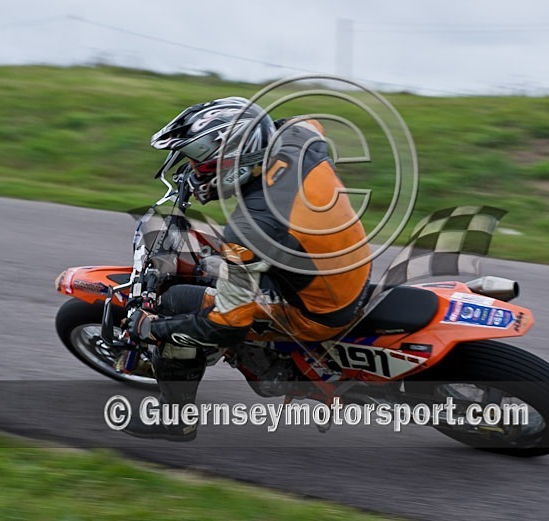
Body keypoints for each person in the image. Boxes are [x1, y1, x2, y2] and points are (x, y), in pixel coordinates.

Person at [121, 97, 371, 441]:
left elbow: (226, 325)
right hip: (346, 264)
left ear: (233, 159)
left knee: (177, 302)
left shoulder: (251, 227)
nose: (194, 169)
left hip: (317, 311)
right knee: (216, 265)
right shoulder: (301, 140)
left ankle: (175, 420)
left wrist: (152, 327)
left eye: (200, 160)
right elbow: (305, 123)